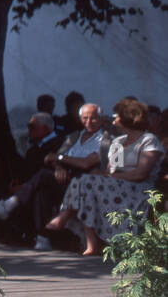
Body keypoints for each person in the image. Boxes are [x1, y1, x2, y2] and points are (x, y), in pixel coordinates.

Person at [46, 98, 165, 255]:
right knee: (84, 181)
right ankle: (90, 242)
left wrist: (106, 177)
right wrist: (103, 175)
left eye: (116, 117)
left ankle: (65, 216)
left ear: (127, 118)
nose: (113, 121)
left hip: (139, 188)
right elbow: (112, 171)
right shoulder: (119, 142)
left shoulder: (148, 140)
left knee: (87, 182)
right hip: (118, 185)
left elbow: (140, 173)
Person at [0, 102, 107, 249]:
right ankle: (43, 238)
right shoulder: (74, 137)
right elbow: (50, 158)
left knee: (42, 176)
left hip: (84, 183)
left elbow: (85, 163)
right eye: (85, 118)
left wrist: (59, 159)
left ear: (102, 119)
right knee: (42, 189)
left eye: (93, 118)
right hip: (65, 179)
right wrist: (59, 166)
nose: (88, 122)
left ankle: (9, 205)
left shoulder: (104, 139)